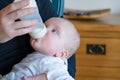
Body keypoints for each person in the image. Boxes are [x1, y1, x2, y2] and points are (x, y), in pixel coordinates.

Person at [0, 0, 77, 79]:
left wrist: (46, 77)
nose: (44, 29)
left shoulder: (52, 64)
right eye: (45, 25)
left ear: (61, 54)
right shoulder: (39, 58)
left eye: (54, 31)